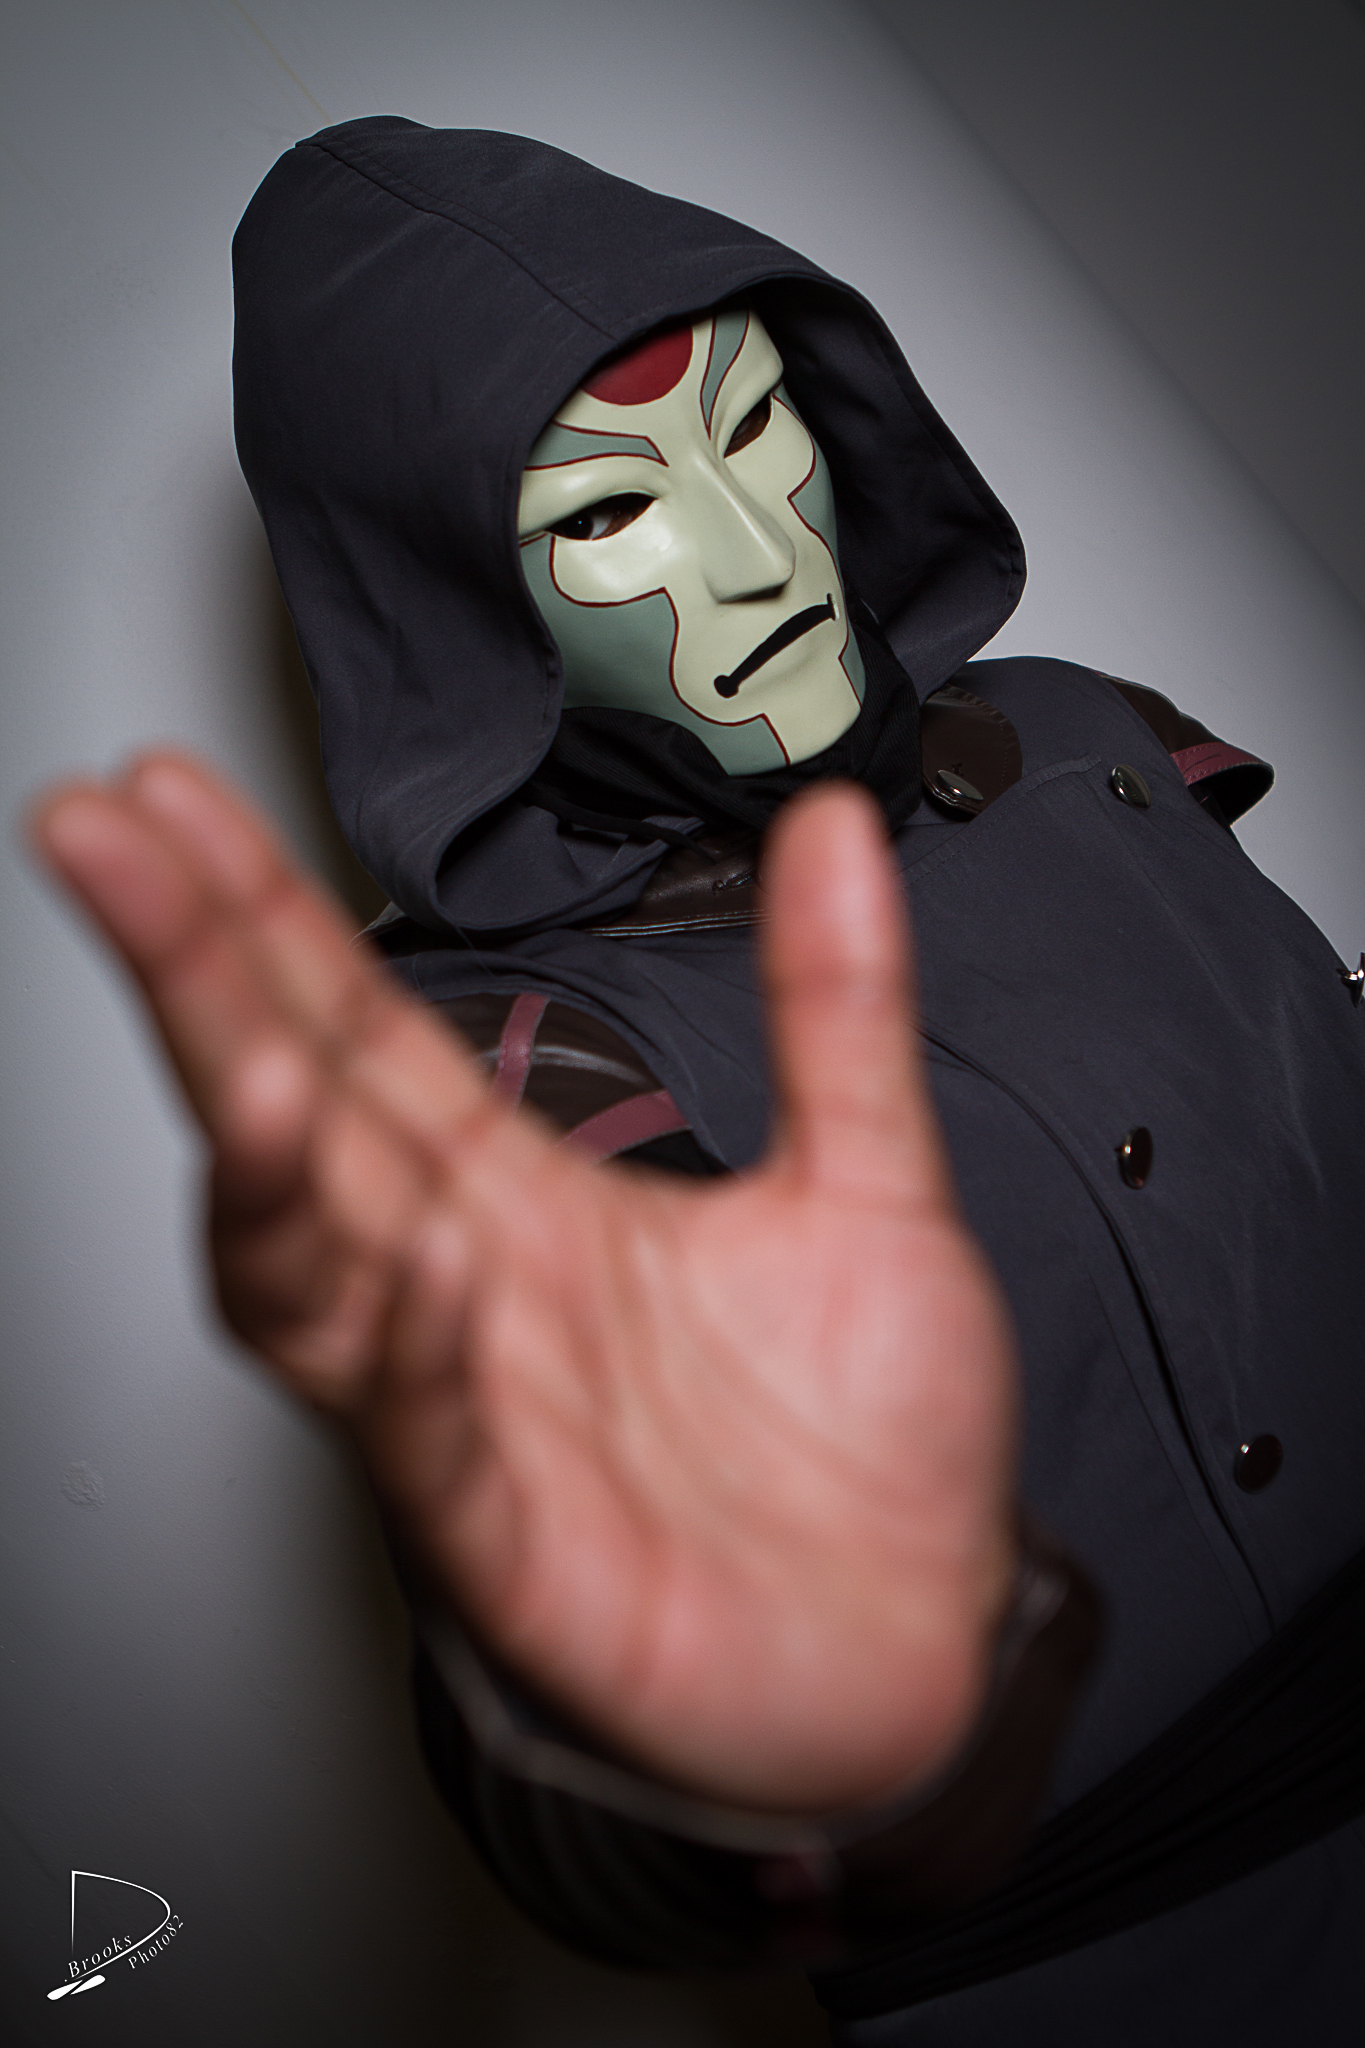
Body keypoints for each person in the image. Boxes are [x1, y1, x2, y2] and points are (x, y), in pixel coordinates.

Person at [30, 119, 1365, 2044]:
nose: (754, 558)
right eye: (605, 515)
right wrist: (736, 1744)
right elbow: (582, 1741)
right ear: (454, 598)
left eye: (754, 426)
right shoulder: (491, 1060)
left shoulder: (1083, 731)